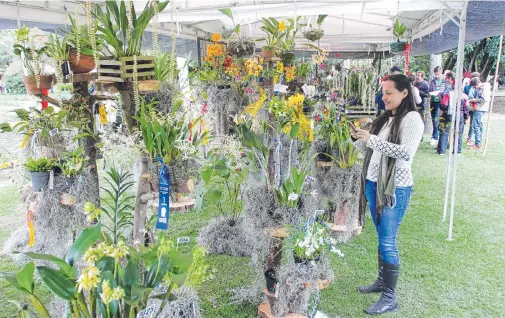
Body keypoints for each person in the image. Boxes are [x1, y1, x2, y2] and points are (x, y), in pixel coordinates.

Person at [351, 74, 424, 315]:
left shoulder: (412, 119)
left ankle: (389, 297)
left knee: (388, 241)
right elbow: (372, 149)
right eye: (383, 93)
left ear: (404, 93)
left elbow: (405, 153)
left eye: (389, 92)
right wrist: (358, 139)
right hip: (374, 185)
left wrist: (371, 139)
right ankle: (382, 282)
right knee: (382, 238)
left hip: (395, 188)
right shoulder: (386, 119)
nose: (384, 97)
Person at [436, 72, 469, 154]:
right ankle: (457, 150)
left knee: (444, 131)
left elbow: (443, 105)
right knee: (458, 133)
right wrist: (465, 117)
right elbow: (467, 108)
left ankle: (441, 150)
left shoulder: (448, 94)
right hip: (460, 115)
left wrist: (440, 100)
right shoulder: (464, 96)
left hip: (449, 114)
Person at [467, 78, 490, 150]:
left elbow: (483, 99)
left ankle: (477, 144)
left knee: (476, 126)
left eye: (474, 87)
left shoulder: (484, 88)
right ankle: (478, 142)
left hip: (480, 109)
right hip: (482, 109)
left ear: (477, 84)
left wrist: (474, 100)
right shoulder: (484, 87)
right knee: (480, 125)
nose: (474, 88)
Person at [429, 66, 445, 146]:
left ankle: (435, 137)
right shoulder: (433, 81)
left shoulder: (444, 81)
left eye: (438, 74)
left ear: (441, 73)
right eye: (435, 74)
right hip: (434, 101)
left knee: (437, 119)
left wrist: (440, 93)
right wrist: (432, 92)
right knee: (434, 119)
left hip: (441, 102)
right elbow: (430, 89)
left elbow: (445, 91)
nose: (437, 76)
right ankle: (435, 136)